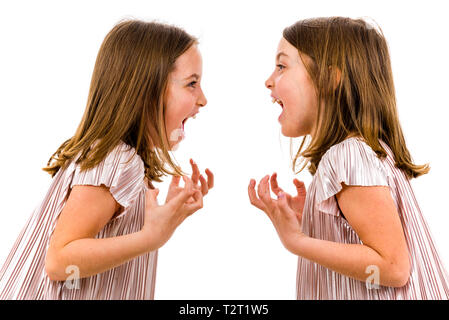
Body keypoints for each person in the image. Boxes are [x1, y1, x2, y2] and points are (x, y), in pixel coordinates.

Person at [0, 19, 214, 300]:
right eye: (192, 84)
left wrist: (158, 217)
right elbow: (61, 262)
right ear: (148, 89)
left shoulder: (121, 160)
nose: (203, 99)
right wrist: (150, 237)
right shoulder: (117, 160)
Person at [248, 16, 449, 299]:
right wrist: (320, 219)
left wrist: (297, 241)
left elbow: (392, 268)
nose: (269, 80)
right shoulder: (366, 151)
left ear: (329, 79)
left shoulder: (346, 155)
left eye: (282, 66)